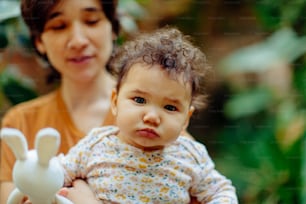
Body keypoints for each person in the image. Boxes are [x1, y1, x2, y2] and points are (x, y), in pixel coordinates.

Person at [59, 27, 238, 203]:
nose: (152, 117)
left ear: (186, 119)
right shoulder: (95, 145)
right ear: (115, 102)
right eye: (139, 100)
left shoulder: (190, 155)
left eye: (169, 107)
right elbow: (57, 174)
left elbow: (221, 192)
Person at [0, 0, 119, 203]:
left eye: (91, 21)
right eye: (59, 26)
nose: (78, 41)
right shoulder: (20, 124)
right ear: (39, 42)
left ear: (113, 28)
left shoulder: (157, 116)